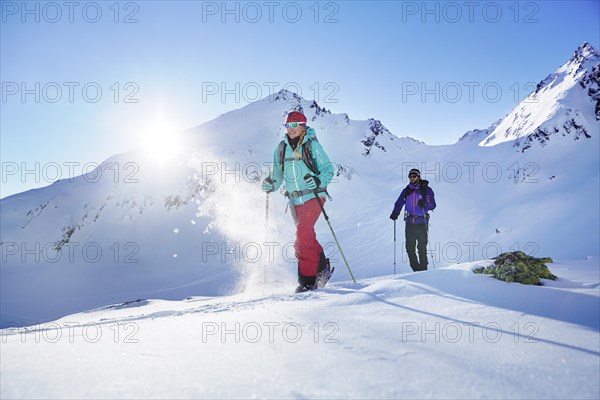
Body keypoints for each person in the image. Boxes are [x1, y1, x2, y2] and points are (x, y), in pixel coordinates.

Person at [262, 111, 334, 293]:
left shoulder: (312, 145)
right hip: (294, 201)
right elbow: (278, 176)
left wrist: (318, 180)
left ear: (303, 126)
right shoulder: (280, 149)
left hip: (314, 196)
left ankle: (308, 281)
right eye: (288, 126)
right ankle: (322, 267)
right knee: (305, 236)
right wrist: (271, 183)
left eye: (294, 125)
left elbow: (328, 169)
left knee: (303, 233)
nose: (291, 129)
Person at [389, 168, 436, 271]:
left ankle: (423, 269)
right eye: (410, 177)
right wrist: (395, 213)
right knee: (409, 248)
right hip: (410, 223)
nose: (412, 178)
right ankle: (415, 269)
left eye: (414, 176)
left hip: (422, 223)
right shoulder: (406, 190)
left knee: (421, 248)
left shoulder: (427, 190)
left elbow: (433, 205)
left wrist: (425, 204)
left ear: (418, 177)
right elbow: (399, 202)